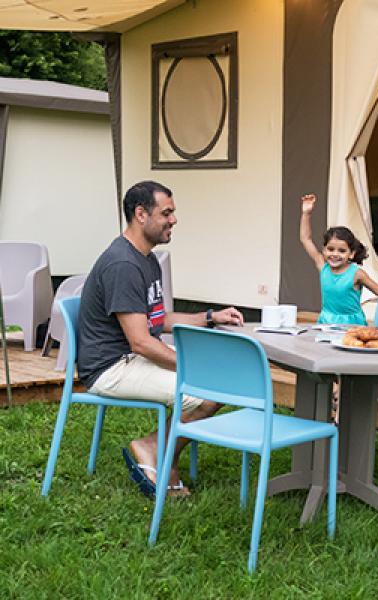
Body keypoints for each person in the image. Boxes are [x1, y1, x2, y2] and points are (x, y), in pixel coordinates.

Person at [77, 180, 244, 498]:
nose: (174, 220)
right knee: (208, 392)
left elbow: (159, 319)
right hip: (110, 367)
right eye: (166, 213)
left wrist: (210, 317)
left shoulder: (147, 258)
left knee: (218, 379)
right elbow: (141, 341)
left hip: (132, 356)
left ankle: (161, 451)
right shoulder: (123, 264)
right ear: (141, 214)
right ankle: (152, 448)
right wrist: (191, 366)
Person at [299, 194, 378, 325]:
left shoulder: (357, 273)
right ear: (324, 250)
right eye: (330, 249)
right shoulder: (322, 266)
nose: (335, 254)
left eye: (341, 251)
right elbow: (305, 239)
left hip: (352, 324)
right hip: (326, 321)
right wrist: (306, 213)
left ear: (351, 254)